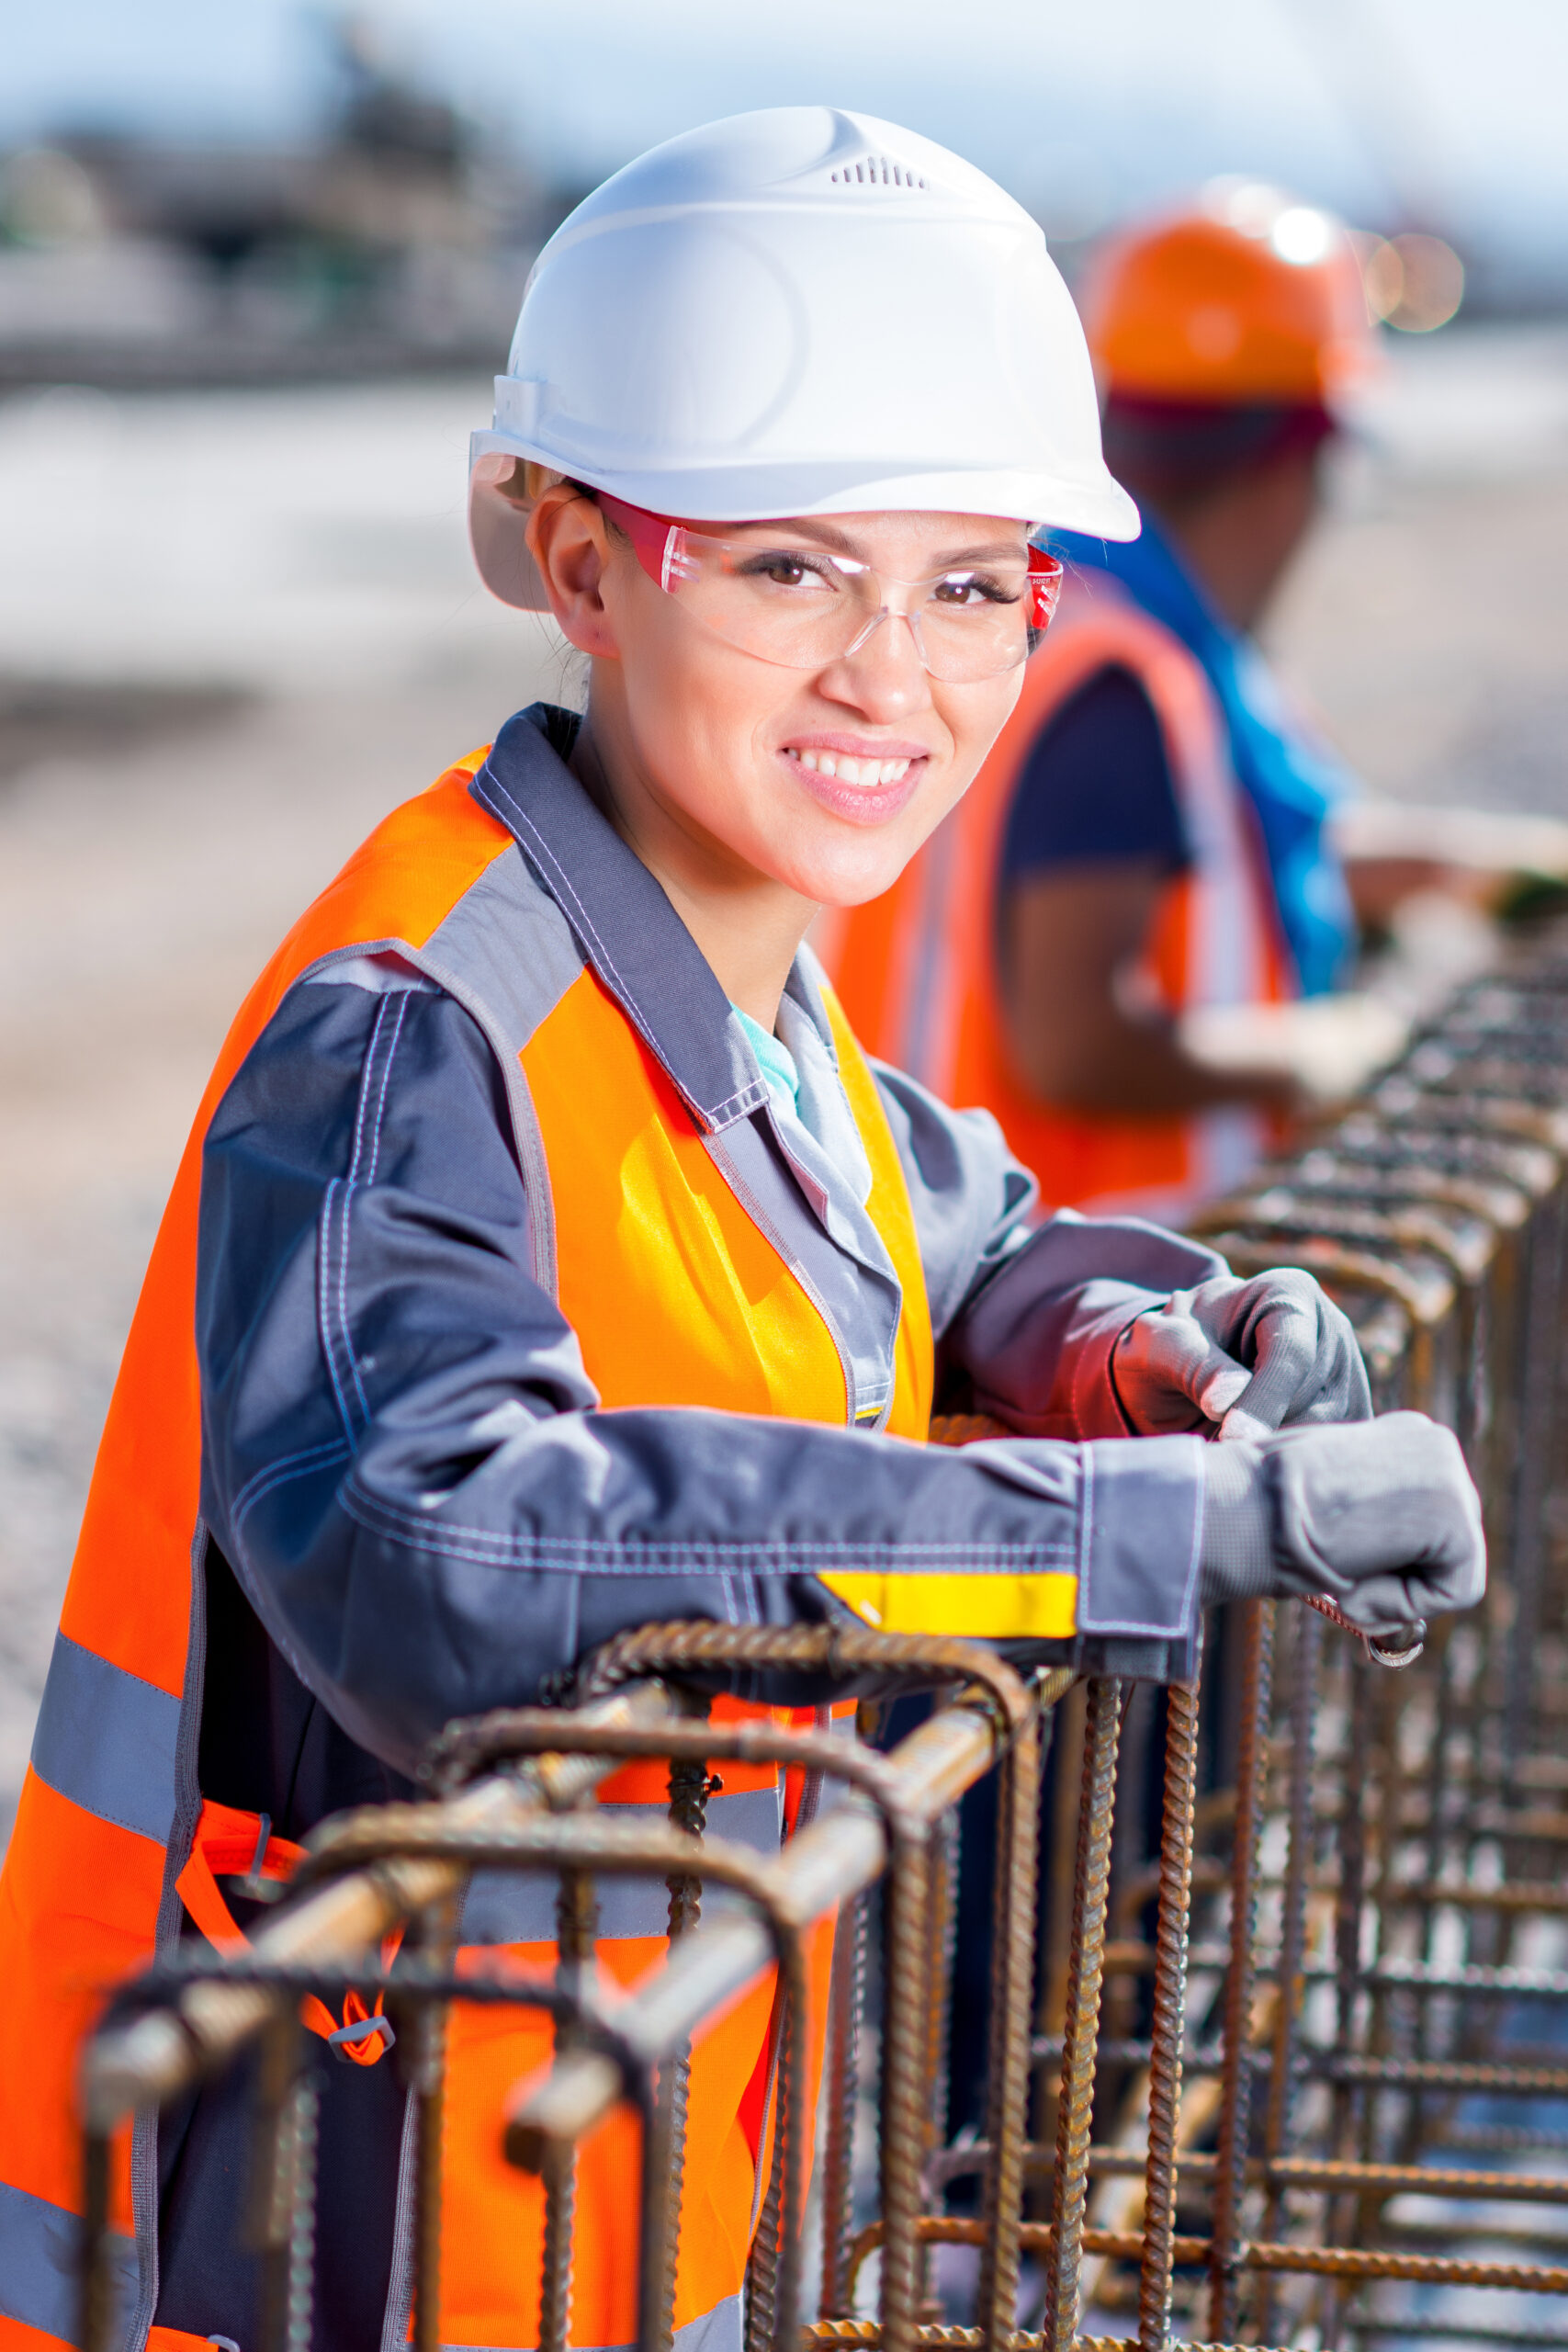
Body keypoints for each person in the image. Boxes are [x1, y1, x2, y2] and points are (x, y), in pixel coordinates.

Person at [0, 113, 1484, 2349]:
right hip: (331, 2254)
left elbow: (971, 1239)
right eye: (787, 568)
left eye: (971, 582)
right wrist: (1114, 1524)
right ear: (581, 562)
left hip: (634, 2205)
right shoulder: (407, 1032)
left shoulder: (754, 1020)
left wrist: (1167, 1336)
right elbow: (444, 1545)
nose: (893, 675)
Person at [824, 178, 1554, 1223]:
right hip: (1050, 1298)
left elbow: (1213, 860)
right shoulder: (1117, 686)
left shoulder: (1053, 616)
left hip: (930, 1247)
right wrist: (1324, 1048)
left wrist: (1459, 870)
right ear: (1302, 459)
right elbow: (1075, 1043)